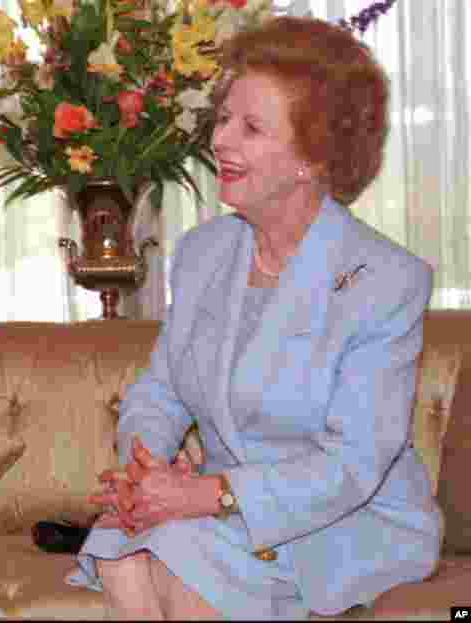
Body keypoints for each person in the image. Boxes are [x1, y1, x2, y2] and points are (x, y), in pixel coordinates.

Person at [66, 16, 442, 620]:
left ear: (312, 157)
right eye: (222, 120)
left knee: (181, 551)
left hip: (351, 517)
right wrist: (143, 467)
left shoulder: (386, 281)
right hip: (220, 509)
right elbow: (160, 390)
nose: (220, 141)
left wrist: (211, 494)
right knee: (118, 545)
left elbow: (354, 463)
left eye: (252, 127)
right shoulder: (203, 254)